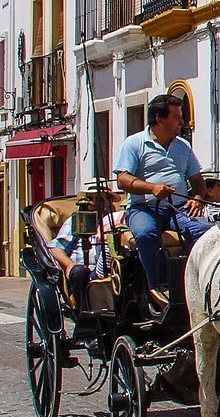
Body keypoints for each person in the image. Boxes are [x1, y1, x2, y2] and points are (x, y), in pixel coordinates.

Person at [113, 93, 211, 307]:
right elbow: (122, 179)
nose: (182, 122)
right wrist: (151, 188)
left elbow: (197, 179)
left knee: (204, 234)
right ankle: (159, 285)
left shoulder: (183, 146)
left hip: (176, 208)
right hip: (144, 208)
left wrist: (197, 197)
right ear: (159, 119)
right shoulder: (135, 143)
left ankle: (198, 280)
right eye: (177, 117)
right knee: (146, 234)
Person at [47, 184, 123, 308]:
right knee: (79, 272)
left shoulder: (114, 221)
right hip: (84, 270)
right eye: (91, 199)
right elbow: (57, 247)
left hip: (112, 270)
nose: (94, 203)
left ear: (109, 202)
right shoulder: (77, 220)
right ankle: (84, 313)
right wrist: (70, 265)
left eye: (100, 199)